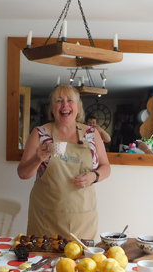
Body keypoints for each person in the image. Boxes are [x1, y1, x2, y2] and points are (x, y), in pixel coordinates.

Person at [18, 84, 111, 240]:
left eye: (70, 100)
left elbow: (106, 167)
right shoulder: (40, 133)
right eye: (59, 101)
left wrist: (94, 176)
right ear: (52, 108)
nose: (65, 105)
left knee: (82, 263)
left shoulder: (91, 133)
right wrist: (38, 158)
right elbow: (22, 173)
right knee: (43, 262)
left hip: (83, 218)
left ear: (78, 107)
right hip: (45, 218)